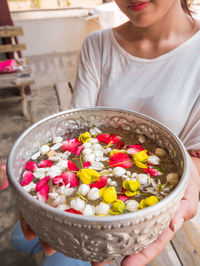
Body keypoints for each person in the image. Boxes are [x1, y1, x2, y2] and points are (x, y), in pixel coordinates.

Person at [12, 0, 200, 265]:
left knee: (51, 258)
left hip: (148, 216)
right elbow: (75, 128)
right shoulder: (97, 45)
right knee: (22, 238)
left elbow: (195, 152)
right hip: (84, 196)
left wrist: (195, 171)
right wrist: (39, 172)